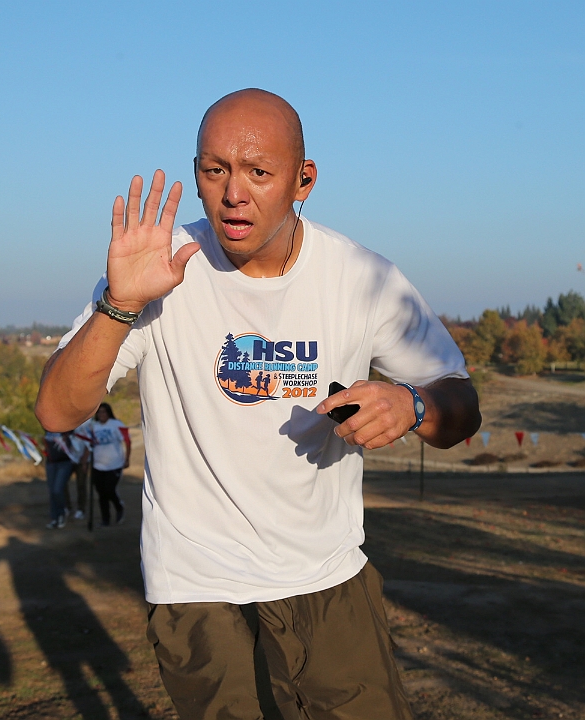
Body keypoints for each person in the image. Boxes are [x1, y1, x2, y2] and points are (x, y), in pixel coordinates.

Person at [36, 89, 481, 719]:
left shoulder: (362, 278)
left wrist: (412, 404)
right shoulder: (160, 269)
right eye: (214, 170)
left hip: (328, 580)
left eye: (258, 172)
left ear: (305, 180)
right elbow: (57, 413)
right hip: (197, 590)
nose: (233, 193)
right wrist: (121, 302)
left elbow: (461, 403)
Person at [88, 402, 130, 527]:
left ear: (109, 413)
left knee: (109, 490)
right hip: (98, 465)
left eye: (104, 412)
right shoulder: (94, 426)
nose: (101, 414)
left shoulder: (116, 425)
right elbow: (88, 444)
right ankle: (105, 519)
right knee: (101, 493)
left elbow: (127, 441)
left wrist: (127, 459)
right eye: (99, 412)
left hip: (114, 464)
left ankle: (119, 507)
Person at [43, 431, 76, 529]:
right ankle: (54, 518)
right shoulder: (47, 430)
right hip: (51, 463)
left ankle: (62, 513)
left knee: (58, 489)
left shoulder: (67, 430)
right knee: (52, 491)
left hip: (64, 463)